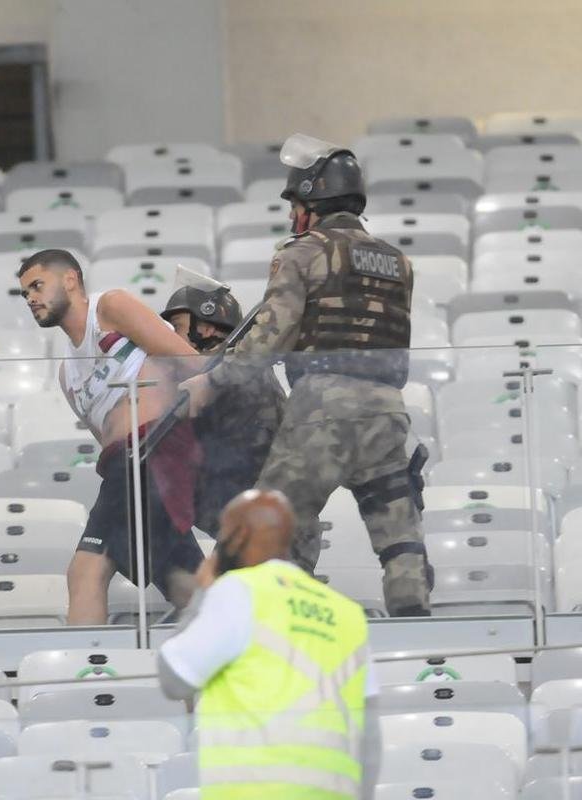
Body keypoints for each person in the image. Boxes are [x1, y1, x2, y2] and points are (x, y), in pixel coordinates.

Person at [180, 133, 431, 617]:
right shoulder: (398, 262)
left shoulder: (301, 253)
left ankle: (287, 619)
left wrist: (211, 381)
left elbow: (269, 335)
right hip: (387, 408)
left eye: (295, 202)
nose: (293, 214)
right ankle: (414, 626)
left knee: (273, 522)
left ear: (313, 200)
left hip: (322, 407)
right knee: (399, 536)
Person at [18, 248, 206, 625]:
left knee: (86, 571)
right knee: (185, 584)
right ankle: (246, 641)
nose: (31, 299)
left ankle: (82, 674)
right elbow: (105, 437)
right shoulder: (66, 376)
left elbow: (191, 364)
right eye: (25, 294)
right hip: (126, 467)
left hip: (156, 447)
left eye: (37, 286)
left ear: (70, 279)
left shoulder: (110, 307)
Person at [158, 489, 380, 800]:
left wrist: (202, 592)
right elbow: (368, 738)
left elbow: (174, 678)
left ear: (238, 537)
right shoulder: (347, 613)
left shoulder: (237, 592)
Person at [160, 284, 285, 537]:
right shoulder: (222, 375)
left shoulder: (230, 376)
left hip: (264, 530)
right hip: (250, 525)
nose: (171, 338)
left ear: (205, 328)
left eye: (178, 327)